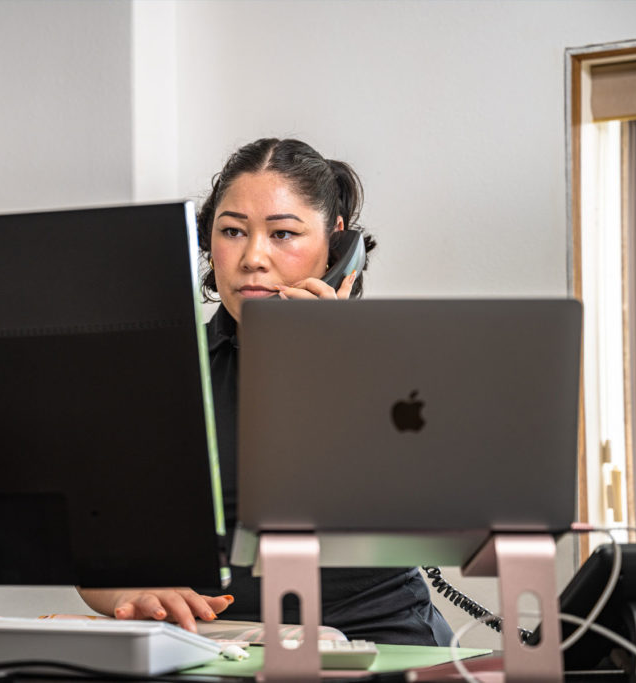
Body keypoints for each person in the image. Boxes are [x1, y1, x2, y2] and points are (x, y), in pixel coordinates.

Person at [79, 138, 454, 646]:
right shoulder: (157, 370)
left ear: (337, 246)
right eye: (232, 231)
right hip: (218, 644)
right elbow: (95, 554)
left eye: (283, 233)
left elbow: (444, 512)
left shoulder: (394, 360)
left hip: (379, 641)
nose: (253, 257)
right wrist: (134, 590)